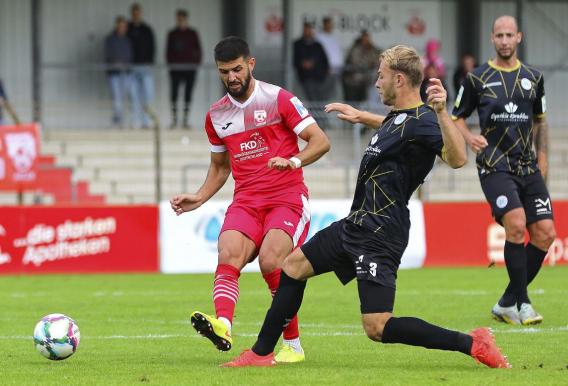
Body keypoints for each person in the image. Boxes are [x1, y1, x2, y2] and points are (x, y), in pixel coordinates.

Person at [222, 45, 509, 369]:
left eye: (381, 76)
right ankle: (261, 353)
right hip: (356, 223)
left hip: (381, 231)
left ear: (398, 80)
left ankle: (473, 342)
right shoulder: (398, 118)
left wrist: (442, 112)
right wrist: (362, 117)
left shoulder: (426, 120)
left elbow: (457, 159)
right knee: (292, 267)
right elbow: (396, 126)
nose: (375, 82)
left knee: (377, 326)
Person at [170, 36, 330, 363]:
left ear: (251, 64)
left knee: (271, 261)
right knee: (228, 251)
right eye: (224, 71)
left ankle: (293, 346)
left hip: (287, 198)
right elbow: (219, 166)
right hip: (246, 201)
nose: (232, 77)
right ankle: (223, 325)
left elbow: (320, 141)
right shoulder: (216, 116)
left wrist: (294, 160)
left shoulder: (279, 99)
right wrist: (199, 197)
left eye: (237, 69)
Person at [451, 15, 556, 325]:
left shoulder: (534, 78)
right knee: (517, 223)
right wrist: (469, 137)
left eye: (510, 35)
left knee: (545, 234)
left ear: (519, 38)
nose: (505, 40)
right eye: (500, 35)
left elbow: (541, 121)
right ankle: (523, 303)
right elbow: (457, 116)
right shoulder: (476, 78)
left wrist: (544, 158)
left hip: (528, 166)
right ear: (492, 39)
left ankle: (506, 302)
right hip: (494, 166)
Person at [166, 9, 202, 129]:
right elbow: (168, 51)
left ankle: (185, 120)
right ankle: (175, 120)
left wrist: (195, 64)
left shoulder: (192, 33)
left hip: (189, 69)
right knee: (174, 95)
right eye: (179, 19)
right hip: (176, 69)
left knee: (188, 94)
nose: (180, 21)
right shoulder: (172, 34)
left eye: (182, 19)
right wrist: (171, 64)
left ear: (186, 19)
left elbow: (198, 50)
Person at [105, 16, 141, 129]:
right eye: (120, 26)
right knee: (117, 99)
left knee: (133, 97)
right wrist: (117, 64)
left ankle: (134, 122)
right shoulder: (110, 40)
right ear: (117, 26)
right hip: (114, 74)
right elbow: (109, 56)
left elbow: (131, 56)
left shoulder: (128, 40)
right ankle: (118, 123)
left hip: (127, 73)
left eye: (124, 26)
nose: (122, 28)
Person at [128, 3, 155, 128]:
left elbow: (152, 47)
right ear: (131, 14)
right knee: (133, 96)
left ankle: (147, 122)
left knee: (147, 96)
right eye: (134, 13)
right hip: (131, 67)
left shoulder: (146, 29)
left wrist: (150, 61)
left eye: (138, 13)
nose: (136, 15)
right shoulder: (127, 29)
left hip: (145, 66)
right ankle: (135, 122)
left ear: (140, 13)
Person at [293, 22, 329, 102]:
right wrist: (302, 64)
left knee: (319, 99)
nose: (308, 32)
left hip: (319, 77)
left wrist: (325, 70)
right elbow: (294, 60)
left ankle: (318, 114)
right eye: (306, 30)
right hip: (305, 77)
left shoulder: (317, 45)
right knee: (310, 99)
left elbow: (324, 59)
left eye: (309, 30)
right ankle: (312, 114)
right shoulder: (297, 44)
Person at [342, 30, 381, 102]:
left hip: (366, 82)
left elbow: (378, 59)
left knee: (363, 103)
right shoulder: (355, 49)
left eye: (367, 38)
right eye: (364, 38)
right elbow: (356, 62)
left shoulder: (372, 48)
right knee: (353, 103)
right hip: (353, 83)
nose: (366, 40)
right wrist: (369, 63)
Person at [317, 16, 343, 100]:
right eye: (328, 24)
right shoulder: (319, 37)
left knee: (334, 93)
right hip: (326, 70)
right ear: (324, 24)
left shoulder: (334, 37)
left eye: (331, 24)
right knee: (324, 93)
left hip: (337, 69)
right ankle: (321, 112)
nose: (329, 26)